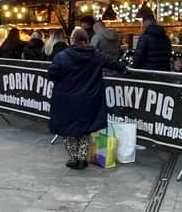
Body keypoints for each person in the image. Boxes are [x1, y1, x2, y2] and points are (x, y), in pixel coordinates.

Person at [48, 28, 126, 170]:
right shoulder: (96, 55)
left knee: (68, 130)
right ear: (87, 40)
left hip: (66, 99)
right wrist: (125, 67)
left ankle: (73, 158)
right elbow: (116, 64)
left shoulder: (62, 56)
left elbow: (52, 73)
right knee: (84, 129)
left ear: (72, 40)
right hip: (89, 99)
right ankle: (82, 158)